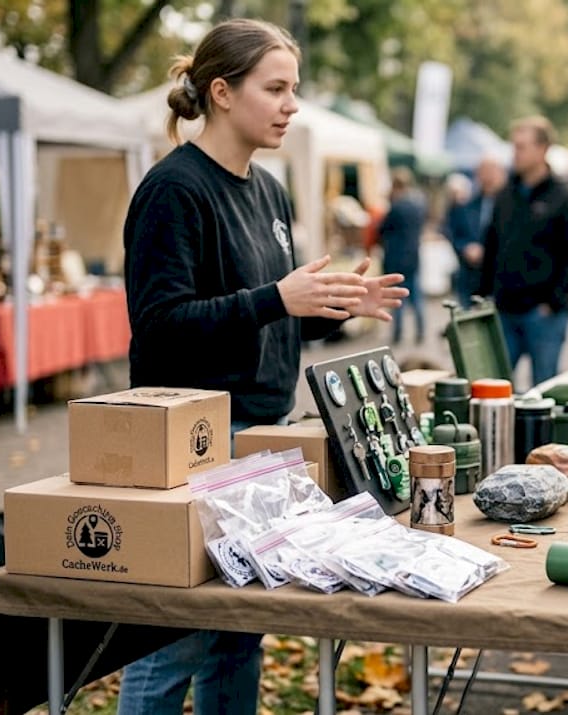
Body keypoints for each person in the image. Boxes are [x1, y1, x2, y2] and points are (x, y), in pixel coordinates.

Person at [119, 19, 406, 715]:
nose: (291, 105)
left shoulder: (271, 191)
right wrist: (277, 296)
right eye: (275, 88)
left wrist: (334, 305)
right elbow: (160, 330)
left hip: (261, 440)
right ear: (221, 92)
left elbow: (267, 313)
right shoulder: (174, 191)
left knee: (238, 633)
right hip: (195, 447)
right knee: (174, 644)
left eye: (293, 89)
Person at [479, 116, 568, 386]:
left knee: (544, 390)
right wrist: (483, 295)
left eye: (521, 146)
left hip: (544, 314)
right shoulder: (505, 194)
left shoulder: (565, 197)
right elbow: (491, 246)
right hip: (505, 309)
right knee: (496, 388)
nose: (515, 152)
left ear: (543, 149)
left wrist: (554, 300)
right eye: (513, 146)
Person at [445, 156, 506, 306]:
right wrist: (465, 248)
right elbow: (452, 232)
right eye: (484, 172)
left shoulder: (511, 206)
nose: (488, 177)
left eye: (492, 171)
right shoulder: (466, 206)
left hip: (499, 281)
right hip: (470, 279)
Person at [379, 167, 425, 344]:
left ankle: (398, 333)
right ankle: (420, 331)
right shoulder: (418, 205)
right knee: (416, 297)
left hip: (396, 257)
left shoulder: (396, 207)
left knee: (397, 298)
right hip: (413, 256)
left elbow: (383, 229)